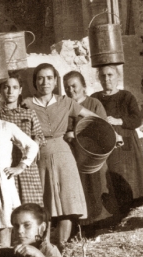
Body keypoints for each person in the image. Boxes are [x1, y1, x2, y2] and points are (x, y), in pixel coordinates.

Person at [23, 63, 98, 244]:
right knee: (44, 204)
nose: (45, 82)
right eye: (40, 78)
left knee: (67, 204)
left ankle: (61, 246)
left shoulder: (66, 102)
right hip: (39, 156)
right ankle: (45, 245)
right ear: (35, 81)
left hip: (64, 155)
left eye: (49, 78)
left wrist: (78, 133)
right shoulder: (26, 103)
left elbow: (93, 118)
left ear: (55, 81)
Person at [0, 89, 39, 247]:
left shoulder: (7, 126)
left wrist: (20, 166)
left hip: (3, 180)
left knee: (4, 224)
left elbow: (32, 145)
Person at [91, 64, 143, 216]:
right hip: (104, 145)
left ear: (117, 77)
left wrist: (119, 121)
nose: (107, 79)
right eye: (103, 76)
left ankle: (133, 213)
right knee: (108, 178)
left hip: (127, 145)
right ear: (99, 78)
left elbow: (137, 120)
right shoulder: (95, 98)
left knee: (128, 177)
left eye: (110, 75)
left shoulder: (126, 96)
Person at [63, 71, 112, 224]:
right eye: (67, 87)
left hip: (93, 157)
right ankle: (82, 228)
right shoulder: (64, 107)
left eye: (74, 86)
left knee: (97, 189)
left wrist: (77, 134)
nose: (70, 90)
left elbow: (104, 129)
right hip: (74, 158)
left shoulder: (94, 104)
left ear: (84, 86)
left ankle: (101, 225)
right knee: (79, 192)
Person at [0, 73, 45, 207]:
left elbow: (39, 136)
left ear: (20, 90)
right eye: (6, 87)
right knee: (10, 206)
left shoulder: (28, 113)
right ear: (0, 90)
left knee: (31, 207)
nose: (10, 91)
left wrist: (34, 145)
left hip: (27, 167)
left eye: (14, 87)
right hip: (6, 167)